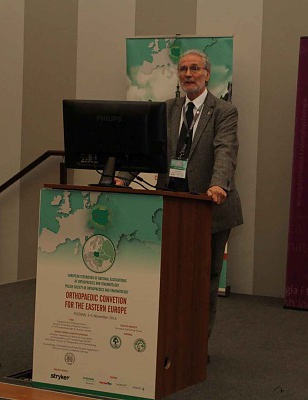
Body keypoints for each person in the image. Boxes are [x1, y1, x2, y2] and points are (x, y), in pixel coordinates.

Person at [116, 49, 243, 336]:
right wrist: (121, 179)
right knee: (168, 276)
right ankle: (167, 336)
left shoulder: (224, 111)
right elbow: (146, 148)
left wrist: (218, 184)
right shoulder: (167, 109)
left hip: (209, 207)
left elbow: (225, 150)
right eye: (183, 69)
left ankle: (197, 344)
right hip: (169, 205)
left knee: (205, 279)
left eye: (195, 68)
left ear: (207, 74)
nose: (188, 74)